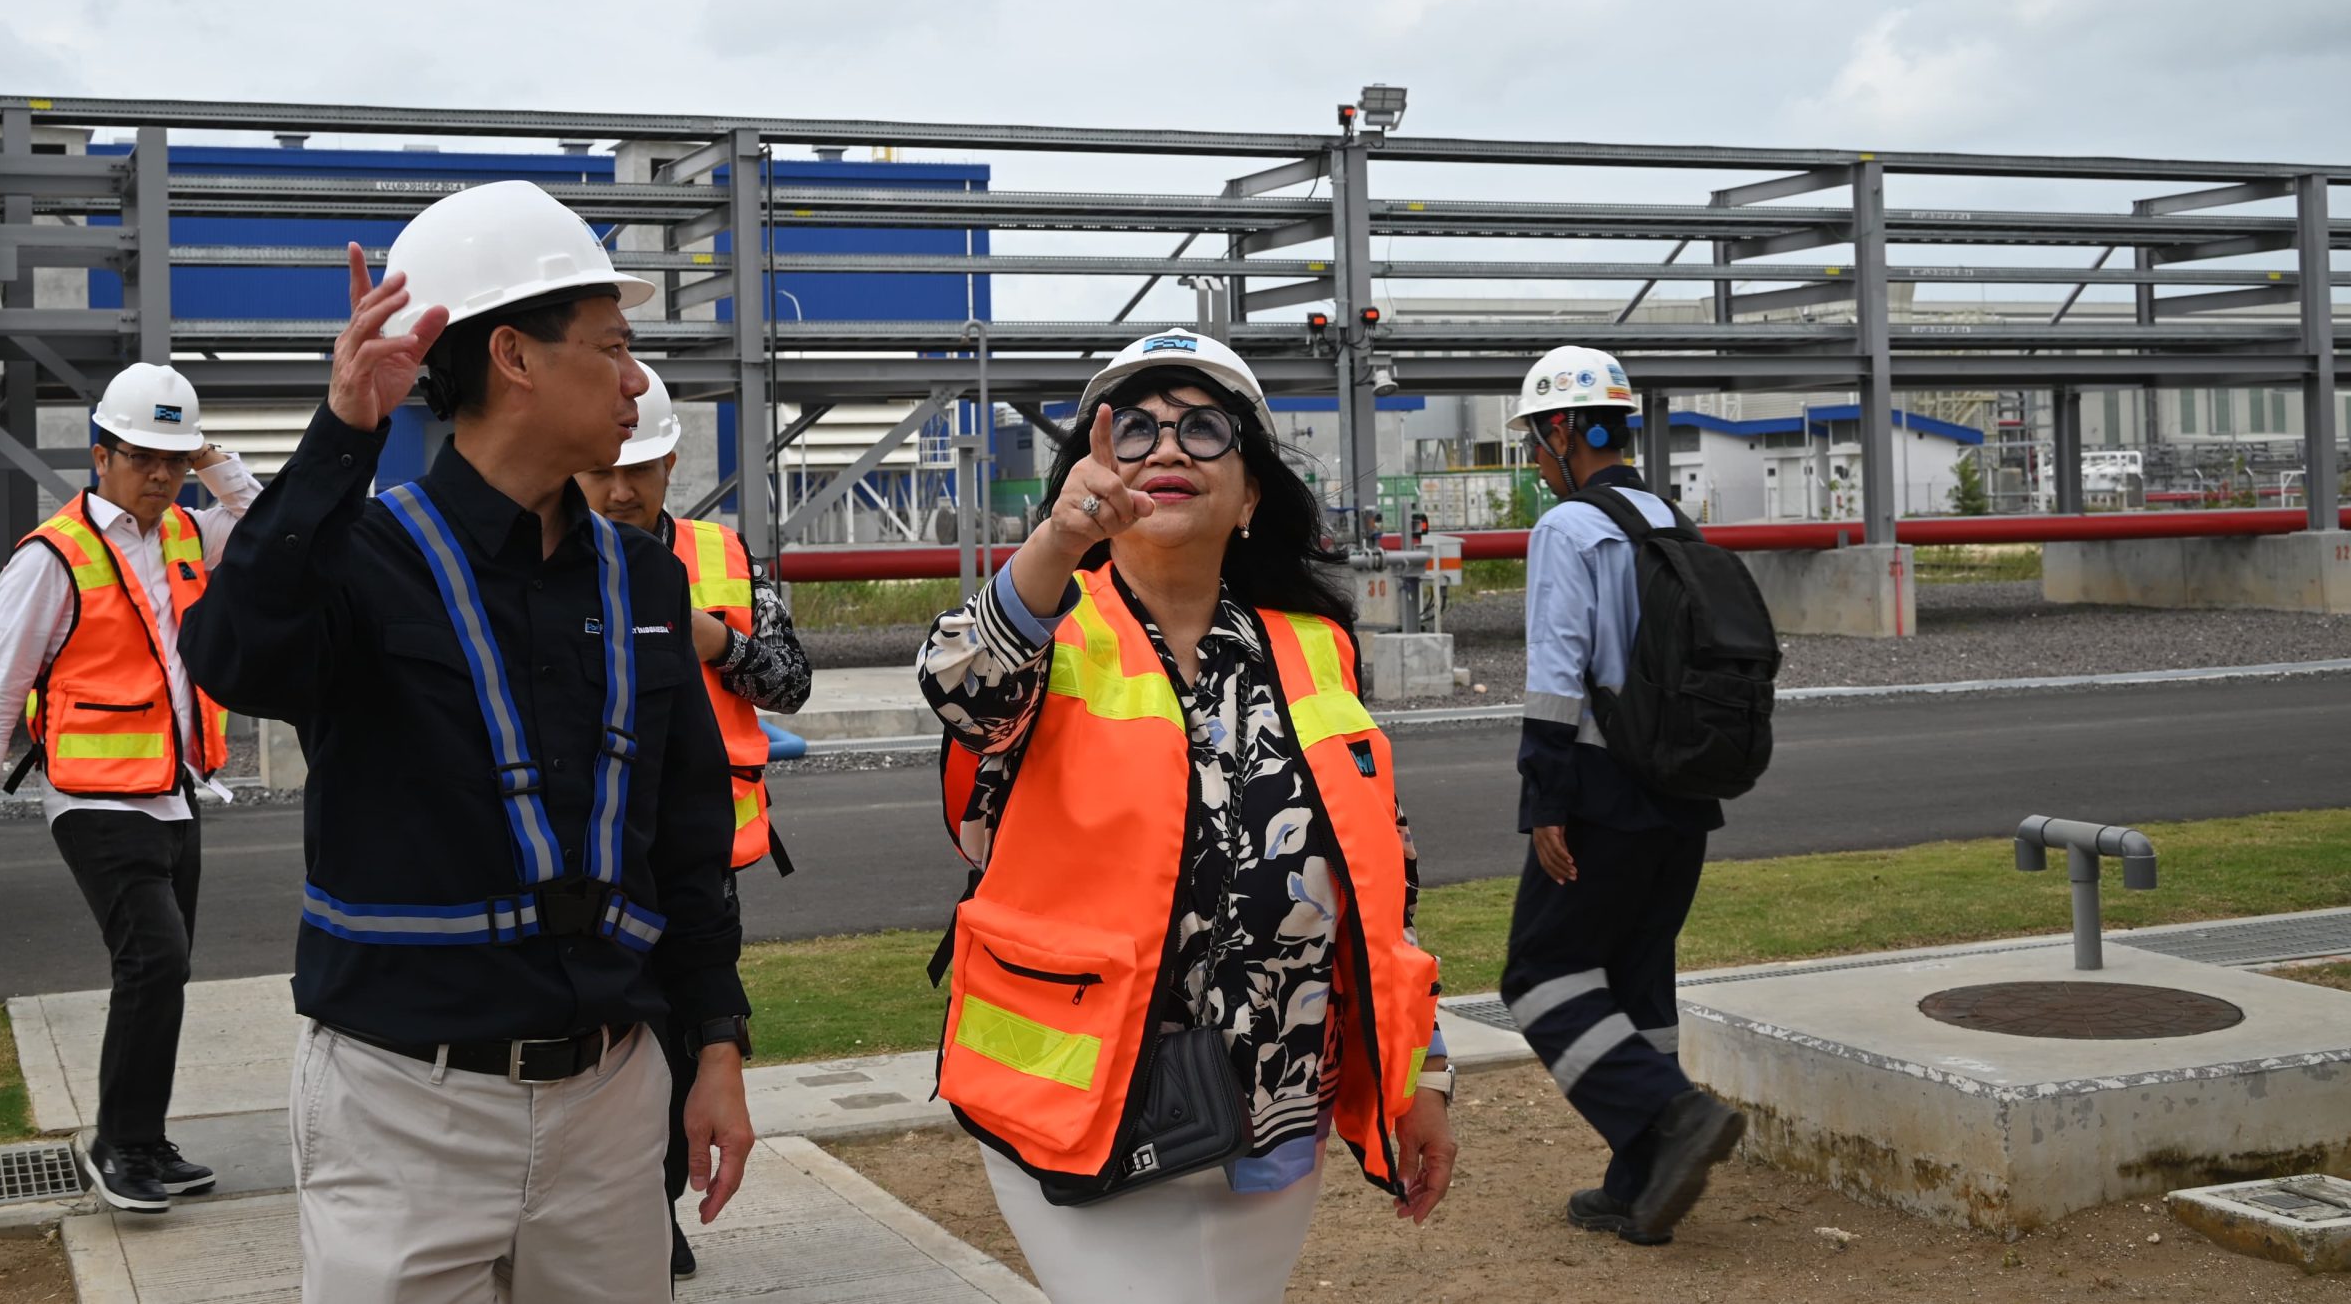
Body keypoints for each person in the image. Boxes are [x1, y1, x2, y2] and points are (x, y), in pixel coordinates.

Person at [175, 179, 754, 1304]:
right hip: (405, 1104)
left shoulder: (642, 578)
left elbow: (686, 834)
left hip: (611, 1092)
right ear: (516, 358)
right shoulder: (362, 557)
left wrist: (717, 1043)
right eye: (613, 344)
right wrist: (344, 433)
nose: (638, 379)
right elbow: (233, 657)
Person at [917, 327, 1454, 1304]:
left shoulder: (1314, 648)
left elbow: (1385, 881)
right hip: (1082, 1105)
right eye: (1135, 432)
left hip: (1272, 1116)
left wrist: (1424, 1072)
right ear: (1090, 467)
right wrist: (1057, 543)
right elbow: (962, 687)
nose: (1167, 449)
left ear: (1249, 493)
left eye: (1203, 430)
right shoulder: (1044, 621)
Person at [0, 362, 259, 1215]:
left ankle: (143, 1139)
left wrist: (214, 457)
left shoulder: (189, 532)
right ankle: (119, 1146)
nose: (160, 473)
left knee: (162, 972)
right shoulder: (52, 556)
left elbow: (271, 524)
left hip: (175, 790)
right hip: (94, 798)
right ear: (102, 452)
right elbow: (3, 682)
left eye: (174, 458)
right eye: (144, 455)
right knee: (157, 958)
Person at [1497, 344, 1744, 1245]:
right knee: (1639, 980)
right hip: (1683, 794)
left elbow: (1558, 673)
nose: (1533, 457)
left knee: (1540, 975)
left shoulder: (1570, 527)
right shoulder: (1671, 518)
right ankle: (1643, 1185)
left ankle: (1673, 1115)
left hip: (1603, 790)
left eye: (1535, 438)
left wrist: (1545, 799)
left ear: (1565, 430)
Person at [573, 362, 811, 1281]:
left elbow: (790, 677)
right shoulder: (539, 559)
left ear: (673, 461)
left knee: (686, 1033)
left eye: (641, 469)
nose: (621, 488)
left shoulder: (723, 558)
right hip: (584, 852)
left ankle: (658, 1205)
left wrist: (716, 639)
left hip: (696, 851)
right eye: (604, 471)